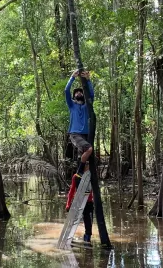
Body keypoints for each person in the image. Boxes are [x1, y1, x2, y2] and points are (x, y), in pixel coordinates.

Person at [64, 69, 94, 243]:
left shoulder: (87, 105)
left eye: (80, 92)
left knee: (88, 211)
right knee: (88, 150)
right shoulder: (72, 105)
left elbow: (91, 94)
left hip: (86, 134)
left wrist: (87, 79)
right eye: (77, 93)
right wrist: (73, 77)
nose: (78, 94)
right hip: (75, 133)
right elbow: (66, 92)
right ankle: (83, 164)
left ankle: (87, 237)